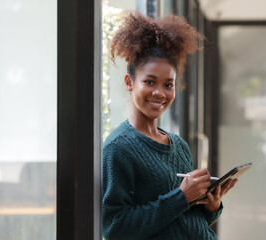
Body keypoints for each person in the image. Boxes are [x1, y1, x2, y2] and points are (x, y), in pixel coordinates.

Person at [102, 12, 237, 240]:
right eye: (149, 82)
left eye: (168, 84)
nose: (159, 93)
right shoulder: (119, 148)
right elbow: (115, 228)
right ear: (129, 83)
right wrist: (181, 197)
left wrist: (211, 207)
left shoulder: (179, 145)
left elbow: (188, 222)